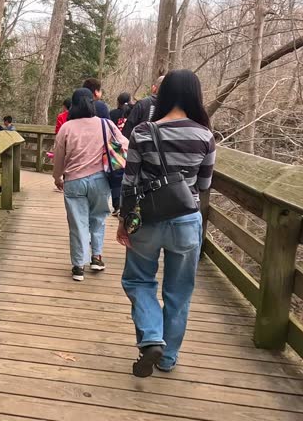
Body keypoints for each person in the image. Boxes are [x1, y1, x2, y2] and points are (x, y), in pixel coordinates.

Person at [115, 69, 216, 378]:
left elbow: (129, 182)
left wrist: (124, 221)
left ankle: (150, 338)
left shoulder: (143, 131)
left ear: (164, 93)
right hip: (186, 220)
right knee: (179, 291)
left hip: (147, 218)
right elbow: (204, 184)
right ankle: (168, 357)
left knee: (138, 281)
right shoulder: (205, 136)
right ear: (195, 95)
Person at [54, 88, 128, 281]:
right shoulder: (105, 124)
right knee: (98, 218)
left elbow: (58, 157)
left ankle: (78, 265)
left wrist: (57, 177)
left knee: (78, 223)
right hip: (100, 179)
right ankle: (96, 257)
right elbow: (125, 144)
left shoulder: (66, 128)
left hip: (73, 181)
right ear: (92, 103)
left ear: (73, 105)